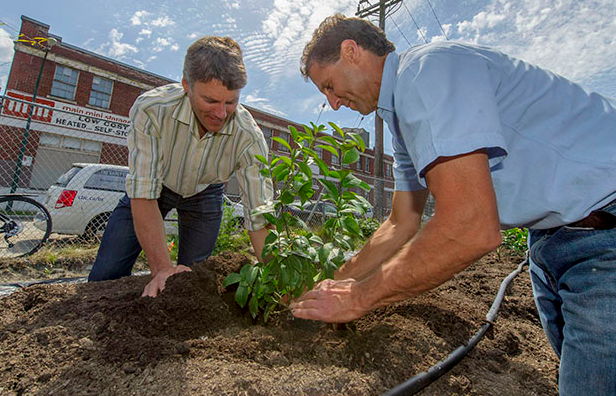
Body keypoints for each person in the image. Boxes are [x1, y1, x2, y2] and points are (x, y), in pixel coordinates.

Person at [290, 14, 616, 396]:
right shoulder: (401, 116)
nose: (330, 103)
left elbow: (470, 227)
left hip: (604, 238)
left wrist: (358, 298)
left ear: (351, 52)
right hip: (555, 240)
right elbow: (401, 222)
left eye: (328, 85)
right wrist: (337, 281)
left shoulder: (425, 74)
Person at [89, 36, 273, 298]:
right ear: (187, 85)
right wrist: (161, 269)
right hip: (155, 187)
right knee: (106, 273)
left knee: (192, 280)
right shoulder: (152, 109)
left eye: (231, 102)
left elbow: (260, 216)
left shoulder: (248, 136)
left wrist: (281, 282)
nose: (221, 113)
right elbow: (143, 192)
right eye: (211, 101)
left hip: (206, 193)